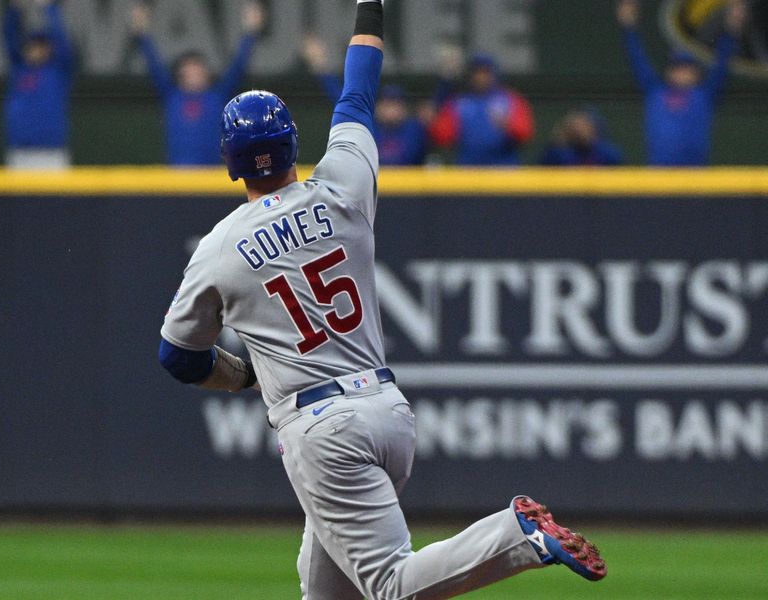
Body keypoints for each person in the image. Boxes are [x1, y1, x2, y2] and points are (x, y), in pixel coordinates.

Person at [158, 1, 607, 597]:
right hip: (387, 411)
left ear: (228, 162)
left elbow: (178, 357)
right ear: (293, 145)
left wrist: (242, 378)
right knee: (325, 591)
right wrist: (371, 10)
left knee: (391, 586)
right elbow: (358, 95)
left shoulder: (217, 249)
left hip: (321, 430)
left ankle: (518, 535)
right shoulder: (343, 186)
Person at [131, 1, 264, 166]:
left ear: (207, 74)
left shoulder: (217, 97)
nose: (193, 74)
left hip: (210, 180)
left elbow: (238, 67)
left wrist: (251, 33)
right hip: (176, 179)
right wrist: (142, 34)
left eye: (198, 69)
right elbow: (154, 66)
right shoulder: (172, 96)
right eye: (188, 71)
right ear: (180, 75)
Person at [617, 0, 747, 166]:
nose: (680, 72)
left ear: (696, 73)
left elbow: (723, 63)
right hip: (659, 178)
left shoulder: (705, 95)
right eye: (676, 67)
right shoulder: (655, 91)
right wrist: (628, 27)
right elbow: (637, 58)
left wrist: (732, 29)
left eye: (686, 67)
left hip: (694, 178)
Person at [301, 35, 428, 166]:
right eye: (387, 103)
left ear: (404, 108)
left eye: (395, 103)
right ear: (379, 107)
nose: (391, 109)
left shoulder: (414, 128)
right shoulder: (371, 125)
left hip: (409, 185)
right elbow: (343, 100)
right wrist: (320, 64)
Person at [3, 0, 74, 170]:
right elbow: (8, 36)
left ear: (49, 49)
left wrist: (48, 8)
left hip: (52, 155)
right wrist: (15, 8)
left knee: (56, 197)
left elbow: (62, 43)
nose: (36, 49)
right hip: (19, 154)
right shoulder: (19, 68)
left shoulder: (59, 70)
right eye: (32, 45)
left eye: (42, 46)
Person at [429, 53, 535, 166]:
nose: (480, 77)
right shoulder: (460, 102)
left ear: (494, 74)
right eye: (477, 73)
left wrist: (509, 125)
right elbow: (442, 136)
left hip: (504, 168)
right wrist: (433, 122)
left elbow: (526, 133)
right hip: (469, 169)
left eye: (485, 72)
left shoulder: (509, 99)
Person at [540, 108, 624, 166]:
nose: (580, 129)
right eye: (576, 125)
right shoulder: (559, 152)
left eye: (584, 125)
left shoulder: (606, 152)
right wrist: (556, 143)